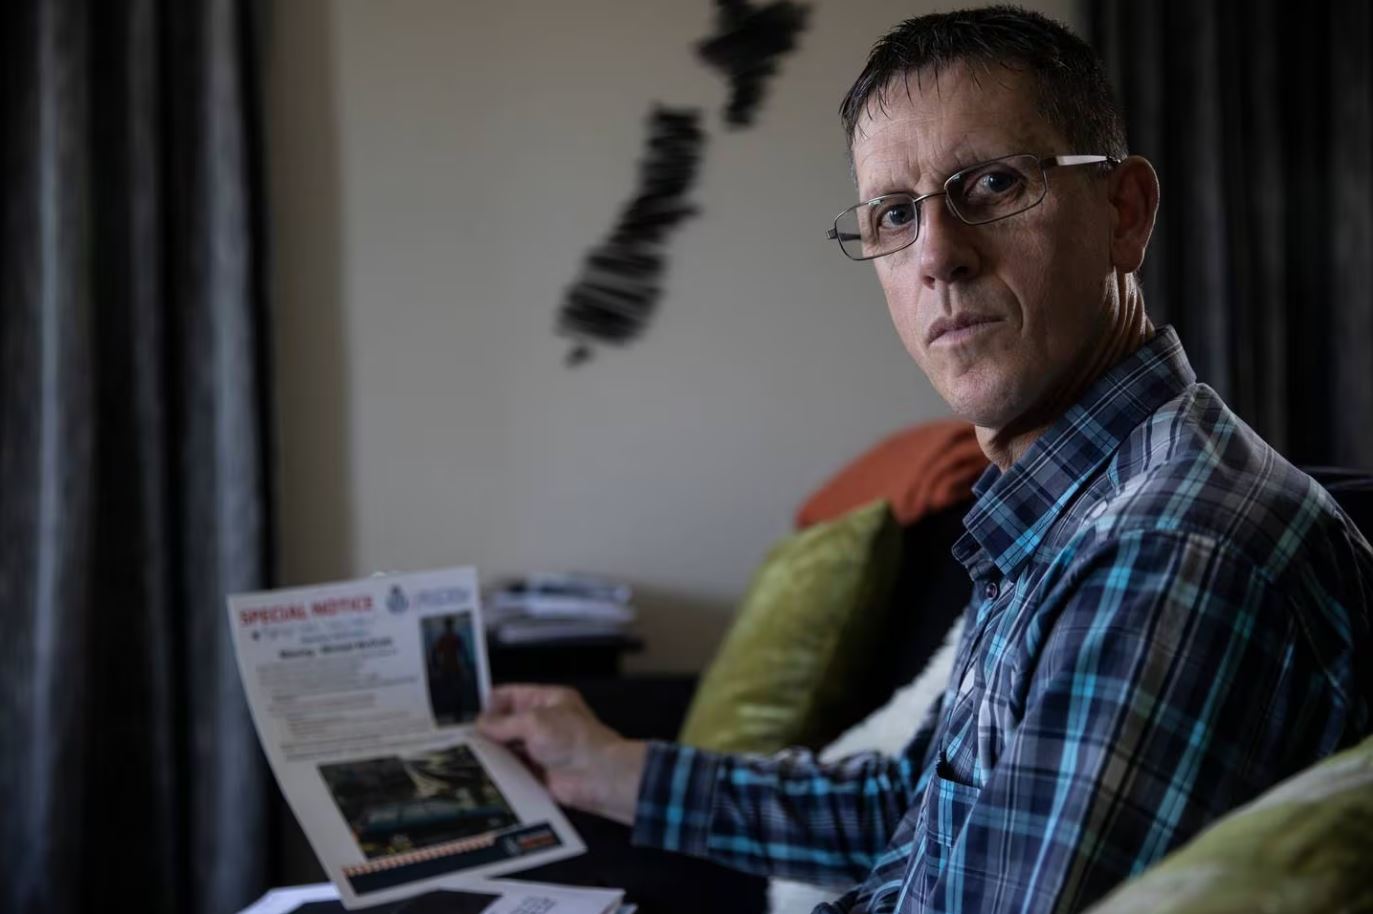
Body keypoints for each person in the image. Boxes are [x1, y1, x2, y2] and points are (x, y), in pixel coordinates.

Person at [479, 7, 1373, 913]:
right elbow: (914, 810)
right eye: (895, 214)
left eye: (992, 183)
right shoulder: (1062, 504)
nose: (937, 254)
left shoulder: (1165, 547)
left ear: (1124, 214)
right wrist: (606, 767)